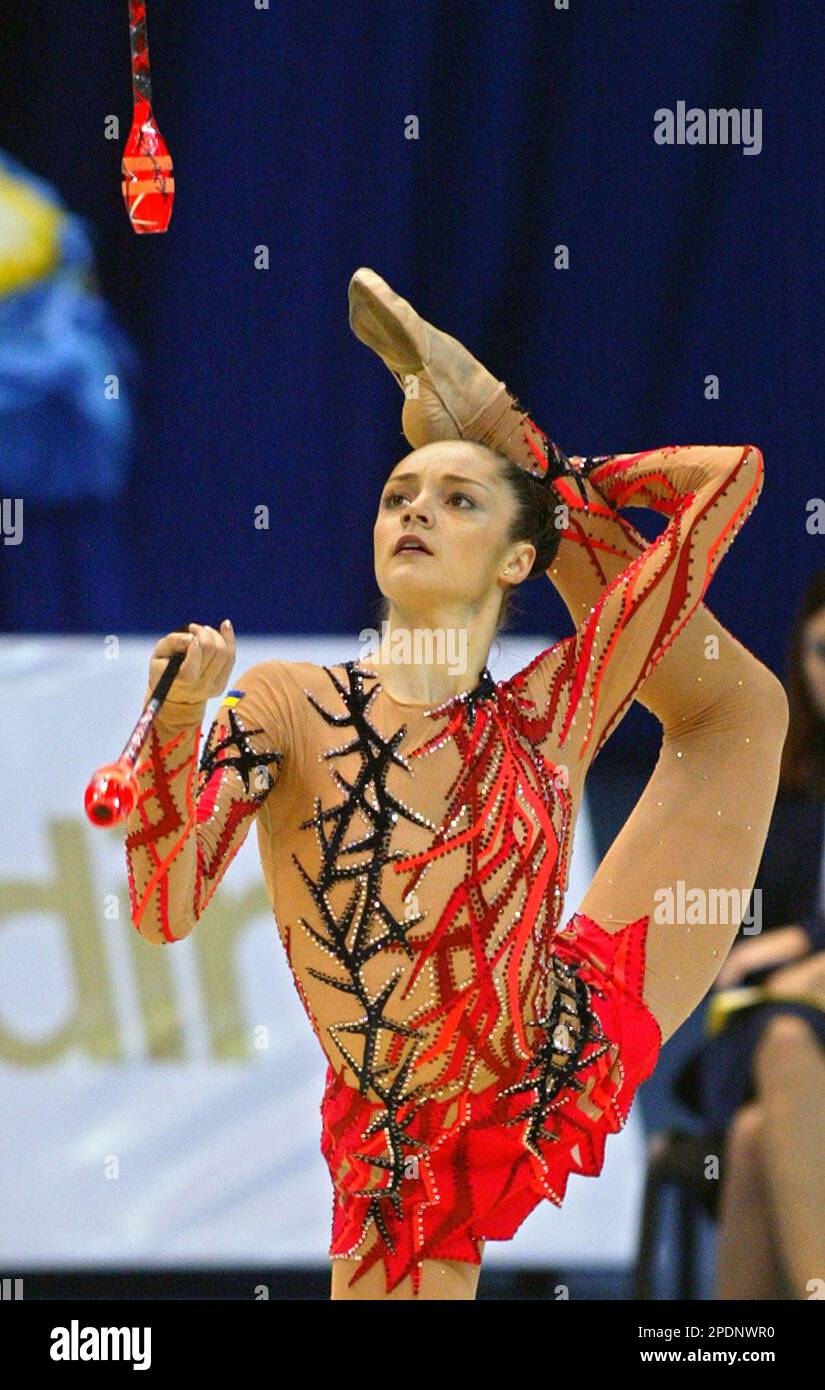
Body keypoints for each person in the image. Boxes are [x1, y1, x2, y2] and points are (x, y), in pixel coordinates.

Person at [123, 269, 788, 1301]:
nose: (415, 508)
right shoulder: (286, 704)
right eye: (400, 495)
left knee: (743, 712)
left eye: (454, 495)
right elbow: (163, 908)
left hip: (554, 1047)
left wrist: (547, 473)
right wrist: (172, 725)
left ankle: (512, 452)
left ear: (518, 558)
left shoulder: (545, 717)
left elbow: (734, 478)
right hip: (401, 1138)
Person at [672, 568, 825, 1299]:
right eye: (822, 654)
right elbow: (730, 947)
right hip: (776, 1025)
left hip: (794, 1026)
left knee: (755, 1139)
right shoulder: (781, 783)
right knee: (784, 1044)